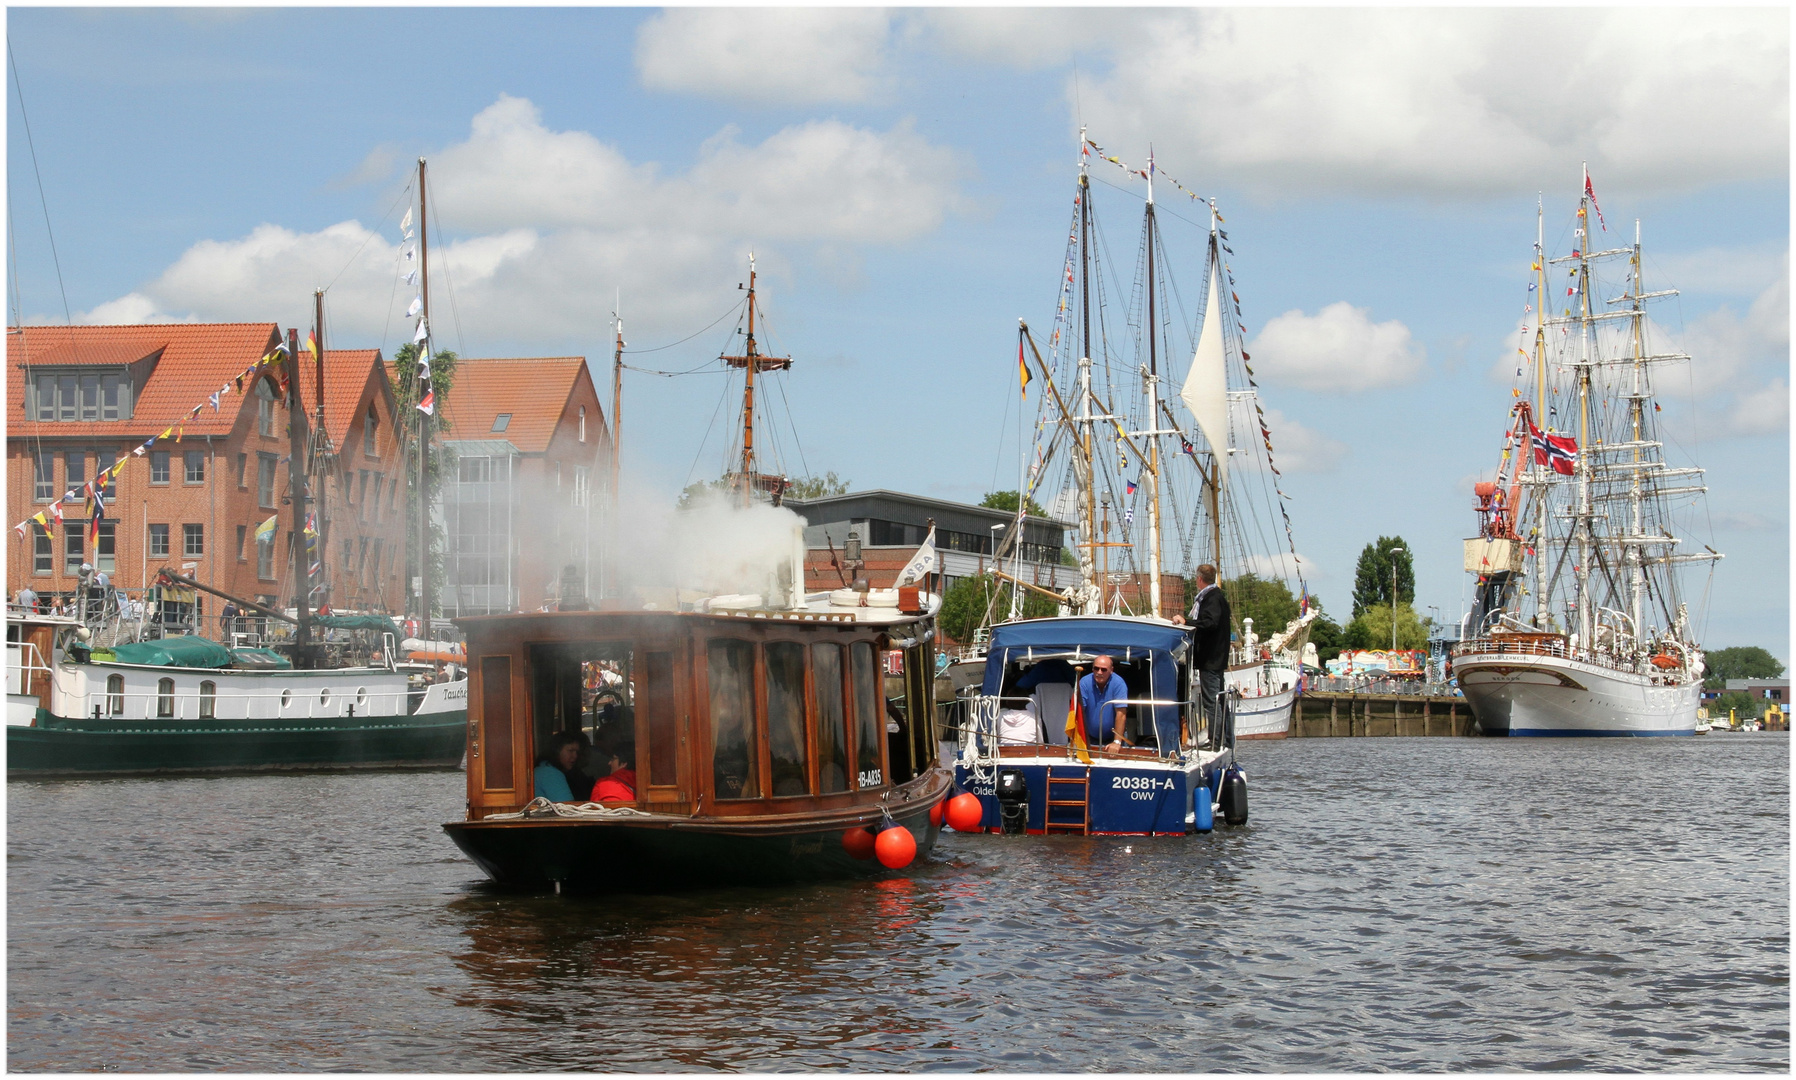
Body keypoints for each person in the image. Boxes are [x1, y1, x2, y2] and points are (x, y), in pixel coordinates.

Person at [1189, 563, 1232, 747]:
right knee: (1219, 699)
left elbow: (1210, 622)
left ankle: (1217, 741)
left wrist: (1188, 622)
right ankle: (1225, 739)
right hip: (1214, 658)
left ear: (1199, 579)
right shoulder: (1216, 596)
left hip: (1211, 659)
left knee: (1212, 701)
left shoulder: (1212, 598)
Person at [1077, 654, 1130, 752]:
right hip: (1089, 738)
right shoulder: (1084, 682)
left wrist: (1117, 742)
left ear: (1111, 670)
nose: (1099, 672)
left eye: (1103, 669)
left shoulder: (1119, 684)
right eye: (1096, 668)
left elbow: (1121, 714)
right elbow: (1079, 712)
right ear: (1092, 669)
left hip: (1114, 739)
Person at [533, 731, 586, 802]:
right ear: (556, 750)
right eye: (570, 751)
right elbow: (567, 809)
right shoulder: (550, 773)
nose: (575, 756)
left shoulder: (543, 767)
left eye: (577, 752)